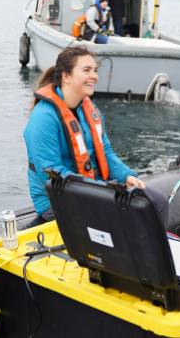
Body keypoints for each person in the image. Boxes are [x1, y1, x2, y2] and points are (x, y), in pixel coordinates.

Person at [23, 46, 168, 225]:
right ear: (66, 76)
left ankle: (153, 250)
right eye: (86, 70)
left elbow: (105, 152)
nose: (94, 76)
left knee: (157, 202)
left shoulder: (89, 109)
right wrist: (101, 191)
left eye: (95, 70)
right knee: (129, 217)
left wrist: (127, 176)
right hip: (57, 200)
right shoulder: (43, 118)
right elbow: (52, 174)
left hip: (92, 187)